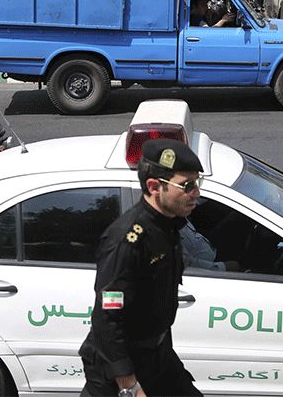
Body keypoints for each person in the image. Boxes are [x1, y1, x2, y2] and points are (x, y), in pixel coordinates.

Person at [79, 138, 203, 397]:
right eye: (187, 185)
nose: (196, 193)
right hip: (118, 370)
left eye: (197, 183)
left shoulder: (168, 226)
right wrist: (129, 385)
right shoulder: (127, 241)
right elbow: (107, 318)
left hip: (158, 356)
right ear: (154, 186)